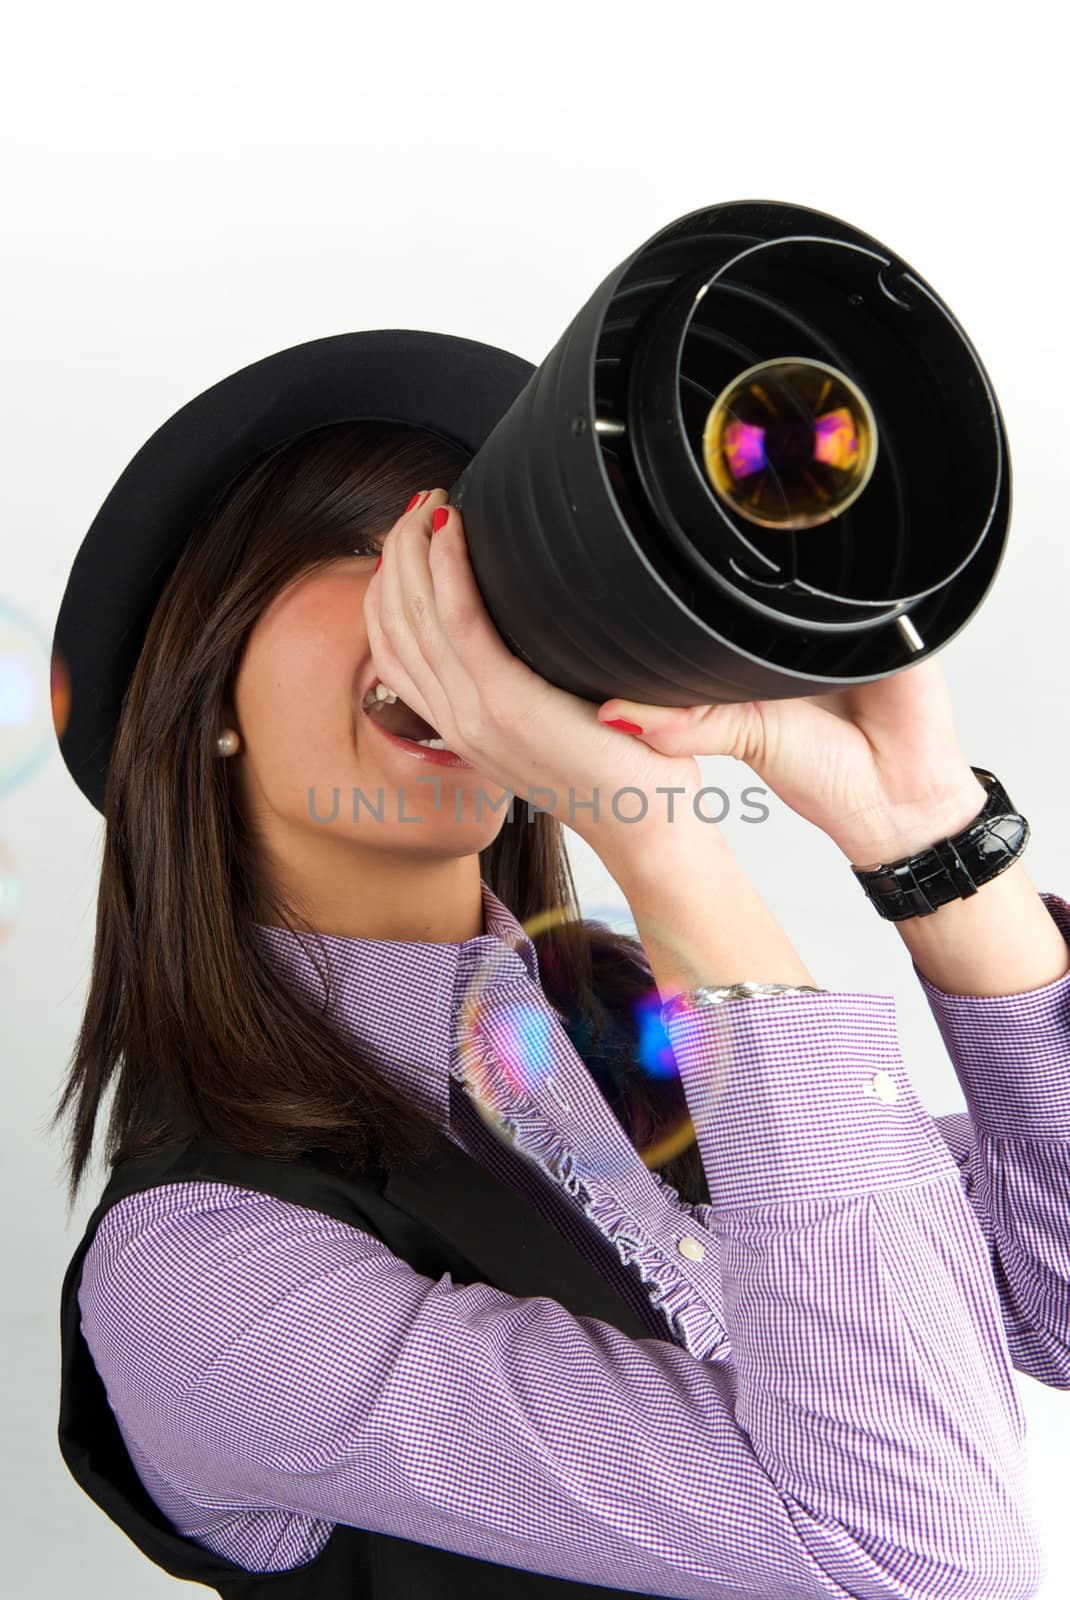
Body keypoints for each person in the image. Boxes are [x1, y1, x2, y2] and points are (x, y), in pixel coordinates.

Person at [50, 332, 1069, 1600]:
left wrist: (928, 837)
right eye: (370, 546)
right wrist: (659, 837)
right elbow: (929, 1554)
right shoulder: (202, 1276)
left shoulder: (635, 1032)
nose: (445, 617)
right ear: (203, 684)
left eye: (477, 572)